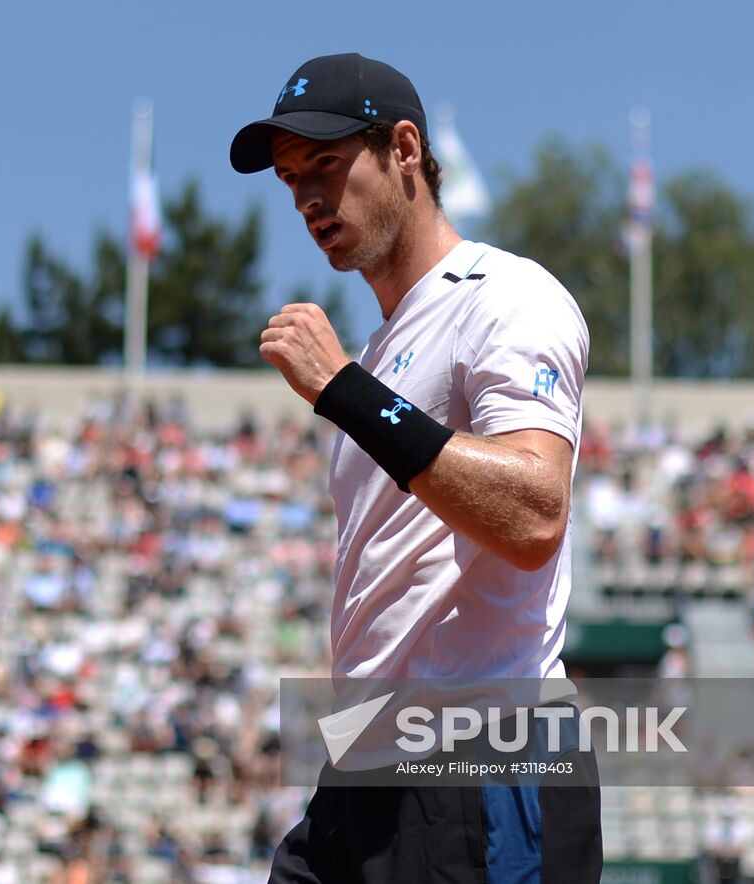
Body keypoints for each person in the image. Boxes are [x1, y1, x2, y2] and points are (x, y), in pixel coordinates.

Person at [231, 53, 599, 882]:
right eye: (291, 181)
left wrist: (345, 393)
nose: (308, 200)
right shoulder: (382, 351)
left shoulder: (507, 296)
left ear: (405, 149)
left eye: (325, 165)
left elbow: (535, 514)